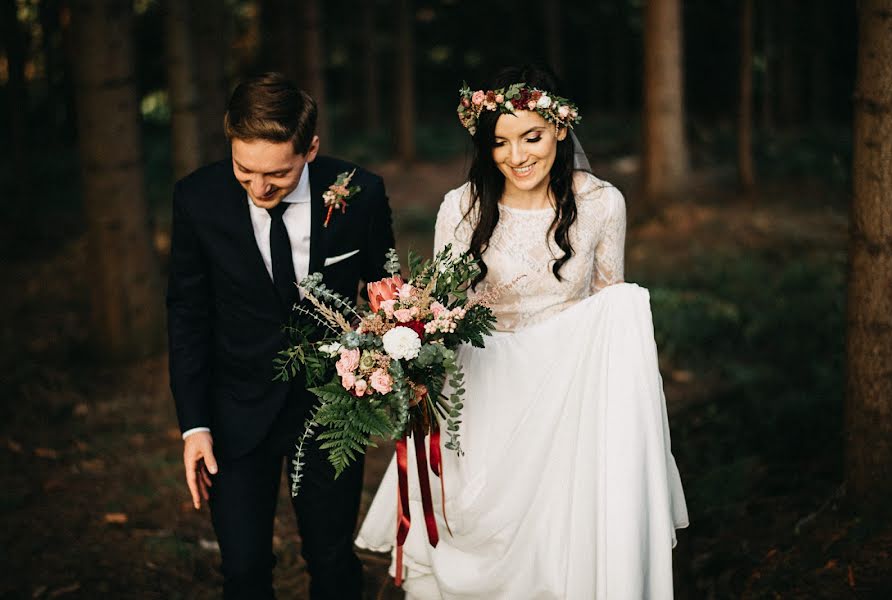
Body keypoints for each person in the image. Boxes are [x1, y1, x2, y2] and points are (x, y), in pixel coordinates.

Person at [356, 65, 688, 599]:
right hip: (483, 387)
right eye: (500, 143)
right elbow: (440, 309)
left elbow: (610, 306)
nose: (517, 155)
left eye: (531, 136)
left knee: (558, 535)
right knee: (482, 522)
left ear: (559, 127)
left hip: (568, 391)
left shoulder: (602, 203)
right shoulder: (460, 208)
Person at [167, 72, 395, 599]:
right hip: (234, 411)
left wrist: (397, 357)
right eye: (244, 170)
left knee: (333, 559)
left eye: (278, 175)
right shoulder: (197, 200)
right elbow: (187, 314)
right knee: (243, 569)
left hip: (329, 410)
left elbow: (388, 295)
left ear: (310, 149)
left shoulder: (360, 193)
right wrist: (194, 425)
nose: (259, 187)